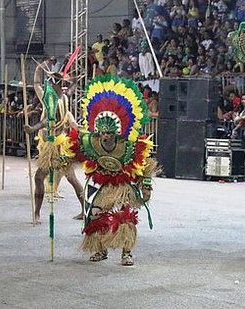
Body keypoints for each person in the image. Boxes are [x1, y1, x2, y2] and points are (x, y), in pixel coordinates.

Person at [68, 75, 158, 266]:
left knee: (125, 216)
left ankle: (126, 253)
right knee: (93, 215)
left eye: (109, 133)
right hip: (100, 183)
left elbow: (146, 165)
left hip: (123, 183)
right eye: (102, 132)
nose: (105, 136)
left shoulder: (130, 146)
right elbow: (74, 152)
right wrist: (58, 158)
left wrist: (146, 186)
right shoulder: (89, 142)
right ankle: (100, 250)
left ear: (117, 132)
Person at [24, 60, 84, 223]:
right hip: (60, 144)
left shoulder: (51, 100)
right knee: (71, 178)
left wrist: (32, 128)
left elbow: (46, 122)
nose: (48, 83)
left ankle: (36, 214)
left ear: (53, 84)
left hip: (54, 147)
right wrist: (75, 81)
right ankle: (85, 209)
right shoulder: (63, 96)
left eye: (50, 81)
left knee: (39, 177)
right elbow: (71, 89)